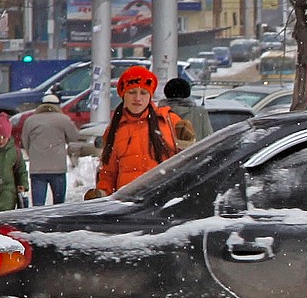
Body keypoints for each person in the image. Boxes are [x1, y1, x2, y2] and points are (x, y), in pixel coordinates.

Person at [89, 67, 190, 198]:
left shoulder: (169, 121)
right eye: (132, 92)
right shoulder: (115, 129)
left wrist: (188, 143)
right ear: (123, 94)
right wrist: (100, 193)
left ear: (150, 96)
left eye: (143, 93)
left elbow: (187, 163)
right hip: (127, 206)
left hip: (162, 202)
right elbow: (108, 174)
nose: (137, 98)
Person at [21, 93, 82, 206]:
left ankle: (38, 223)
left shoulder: (30, 120)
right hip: (57, 168)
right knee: (58, 206)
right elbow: (74, 137)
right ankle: (56, 223)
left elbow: (25, 142)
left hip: (37, 169)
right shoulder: (64, 119)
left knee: (38, 207)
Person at [160, 77, 213, 147]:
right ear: (188, 93)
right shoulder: (200, 113)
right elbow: (209, 139)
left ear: (166, 93)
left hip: (165, 157)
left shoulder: (158, 113)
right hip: (194, 155)